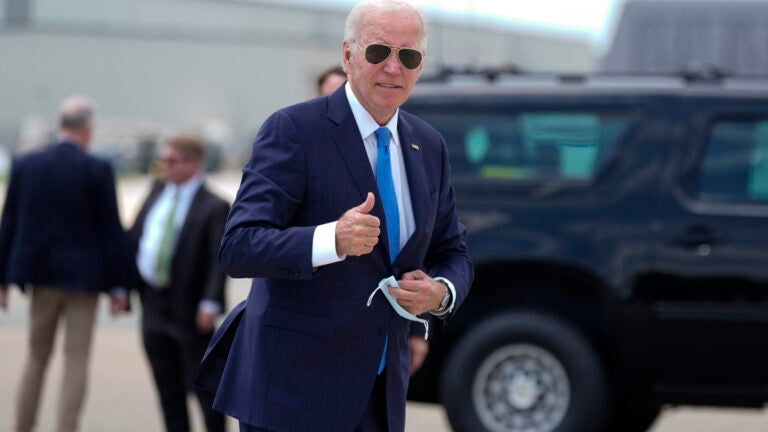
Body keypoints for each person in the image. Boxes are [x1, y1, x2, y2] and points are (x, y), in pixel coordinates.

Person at [193, 0, 473, 431]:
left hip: (382, 388)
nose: (393, 68)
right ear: (348, 55)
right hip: (293, 392)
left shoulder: (428, 145)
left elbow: (451, 250)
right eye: (379, 52)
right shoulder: (294, 130)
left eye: (409, 56)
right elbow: (239, 247)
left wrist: (442, 292)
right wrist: (330, 240)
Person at [0, 95, 129, 432]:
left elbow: (9, 222)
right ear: (88, 128)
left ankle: (22, 427)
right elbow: (111, 231)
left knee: (35, 357)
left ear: (61, 125)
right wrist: (120, 285)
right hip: (84, 281)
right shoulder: (96, 168)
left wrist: (1, 276)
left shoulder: (26, 164)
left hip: (40, 278)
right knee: (76, 360)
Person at [128, 134, 230, 432]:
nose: (164, 167)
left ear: (192, 163)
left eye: (171, 161)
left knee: (202, 388)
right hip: (153, 304)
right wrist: (123, 286)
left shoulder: (214, 205)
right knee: (167, 391)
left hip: (191, 308)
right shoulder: (156, 191)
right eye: (163, 160)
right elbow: (137, 237)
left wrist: (211, 302)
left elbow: (217, 258)